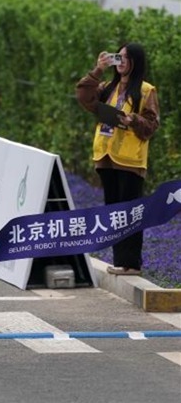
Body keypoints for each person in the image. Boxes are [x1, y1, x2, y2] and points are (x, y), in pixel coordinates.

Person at [76, 43, 160, 276]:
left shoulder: (146, 90)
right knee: (114, 212)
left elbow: (152, 125)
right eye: (118, 57)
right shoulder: (108, 87)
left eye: (125, 58)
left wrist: (133, 120)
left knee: (130, 212)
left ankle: (131, 264)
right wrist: (97, 70)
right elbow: (84, 96)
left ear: (136, 62)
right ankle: (120, 262)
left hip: (130, 161)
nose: (121, 62)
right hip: (106, 156)